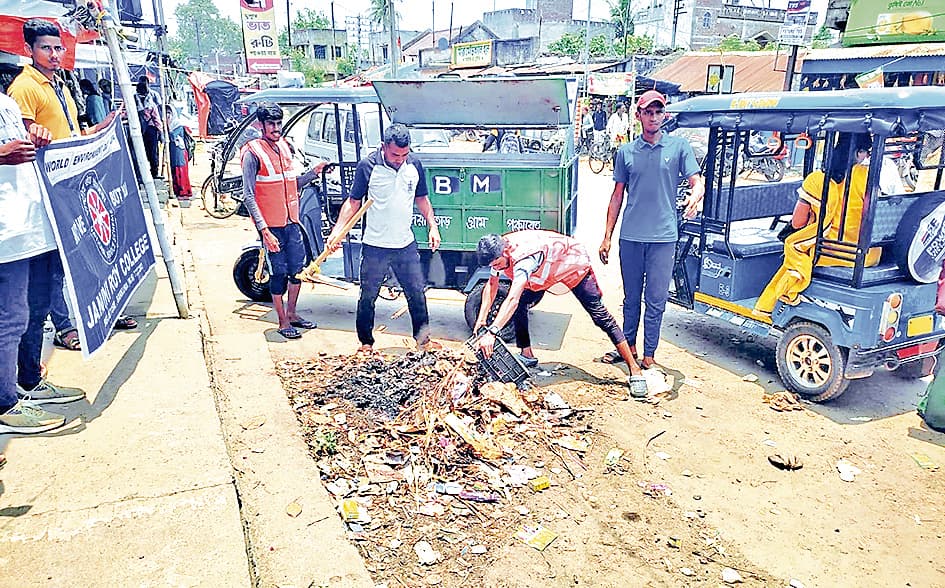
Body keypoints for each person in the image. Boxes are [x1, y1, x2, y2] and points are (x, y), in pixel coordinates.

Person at [599, 90, 704, 370]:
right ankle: (628, 348)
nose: (654, 117)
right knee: (631, 299)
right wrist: (607, 236)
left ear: (664, 115)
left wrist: (696, 196)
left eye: (658, 112)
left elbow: (697, 181)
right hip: (631, 237)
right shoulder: (626, 152)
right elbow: (617, 195)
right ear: (639, 116)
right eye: (648, 112)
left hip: (664, 238)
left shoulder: (678, 147)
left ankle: (649, 355)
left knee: (656, 300)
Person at [474, 231, 649, 398]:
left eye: (497, 264)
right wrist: (481, 320)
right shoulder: (498, 250)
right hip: (544, 271)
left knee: (601, 317)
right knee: (521, 304)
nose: (496, 268)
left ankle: (635, 370)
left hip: (572, 265)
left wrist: (492, 332)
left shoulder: (524, 259)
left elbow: (512, 298)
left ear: (505, 251)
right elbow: (492, 285)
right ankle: (527, 354)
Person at [0, 89, 82, 428]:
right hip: (5, 231)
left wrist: (34, 135)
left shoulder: (6, 102)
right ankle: (5, 404)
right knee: (9, 318)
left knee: (36, 307)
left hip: (30, 224)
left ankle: (29, 379)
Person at [325, 123, 441, 353]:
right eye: (395, 155)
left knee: (417, 294)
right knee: (367, 296)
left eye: (404, 155)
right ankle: (366, 343)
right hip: (375, 246)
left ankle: (423, 341)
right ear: (383, 147)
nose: (400, 160)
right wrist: (338, 230)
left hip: (405, 244)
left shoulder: (414, 165)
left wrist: (433, 226)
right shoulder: (367, 166)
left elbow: (422, 198)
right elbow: (353, 202)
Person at [754, 133, 880, 316]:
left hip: (832, 252)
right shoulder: (868, 177)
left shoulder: (817, 179)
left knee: (794, 245)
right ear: (856, 152)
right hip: (868, 255)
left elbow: (797, 223)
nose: (867, 156)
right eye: (865, 151)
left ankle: (777, 300)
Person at [241, 104, 324, 340]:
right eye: (271, 124)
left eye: (278, 123)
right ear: (260, 125)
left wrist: (313, 173)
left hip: (292, 222)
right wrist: (264, 231)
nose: (276, 128)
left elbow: (291, 184)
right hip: (271, 226)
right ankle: (282, 321)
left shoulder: (285, 147)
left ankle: (292, 313)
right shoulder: (252, 153)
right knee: (279, 272)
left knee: (298, 271)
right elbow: (248, 195)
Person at [134, 76, 163, 178]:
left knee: (142, 151)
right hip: (150, 129)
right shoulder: (149, 100)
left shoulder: (134, 99)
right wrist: (161, 131)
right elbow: (156, 117)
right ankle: (153, 172)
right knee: (152, 152)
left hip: (139, 129)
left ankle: (144, 173)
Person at [166, 105, 193, 203]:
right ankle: (177, 190)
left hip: (179, 151)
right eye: (166, 113)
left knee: (180, 171)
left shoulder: (178, 125)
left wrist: (168, 127)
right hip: (173, 150)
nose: (167, 115)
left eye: (169, 113)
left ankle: (184, 192)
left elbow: (173, 136)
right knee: (174, 170)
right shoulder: (170, 125)